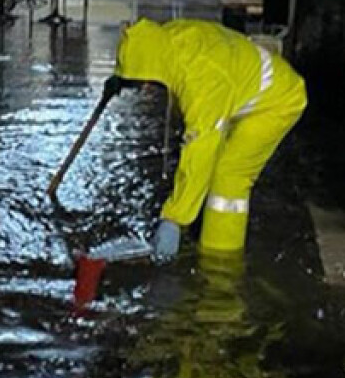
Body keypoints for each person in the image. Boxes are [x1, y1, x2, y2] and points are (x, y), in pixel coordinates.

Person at [109, 18, 307, 261]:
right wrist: (123, 77)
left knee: (229, 175)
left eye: (146, 83)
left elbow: (200, 151)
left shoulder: (202, 81)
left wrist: (175, 218)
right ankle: (203, 231)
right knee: (212, 159)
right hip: (242, 90)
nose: (147, 89)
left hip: (277, 102)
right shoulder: (166, 42)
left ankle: (220, 259)